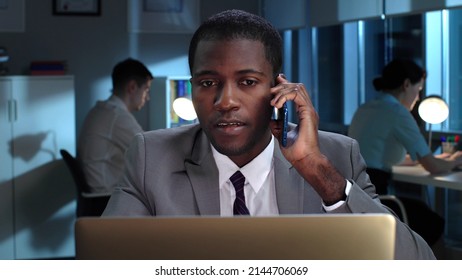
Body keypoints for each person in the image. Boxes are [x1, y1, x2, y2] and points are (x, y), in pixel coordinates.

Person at [103, 10, 435, 259]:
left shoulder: (336, 157)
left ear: (278, 89)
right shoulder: (151, 156)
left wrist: (318, 171)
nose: (226, 101)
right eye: (208, 83)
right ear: (193, 89)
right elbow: (104, 261)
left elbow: (418, 264)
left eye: (247, 82)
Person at [348, 58, 462, 247]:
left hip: (355, 199)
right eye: (418, 91)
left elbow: (377, 155)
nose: (417, 99)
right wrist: (455, 160)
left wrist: (432, 159)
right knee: (433, 222)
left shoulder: (366, 108)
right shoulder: (398, 112)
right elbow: (432, 167)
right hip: (377, 201)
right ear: (407, 84)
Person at [78, 58, 153, 194]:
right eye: (146, 90)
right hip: (105, 199)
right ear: (132, 87)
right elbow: (150, 152)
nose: (147, 98)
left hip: (97, 196)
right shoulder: (116, 116)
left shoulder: (101, 110)